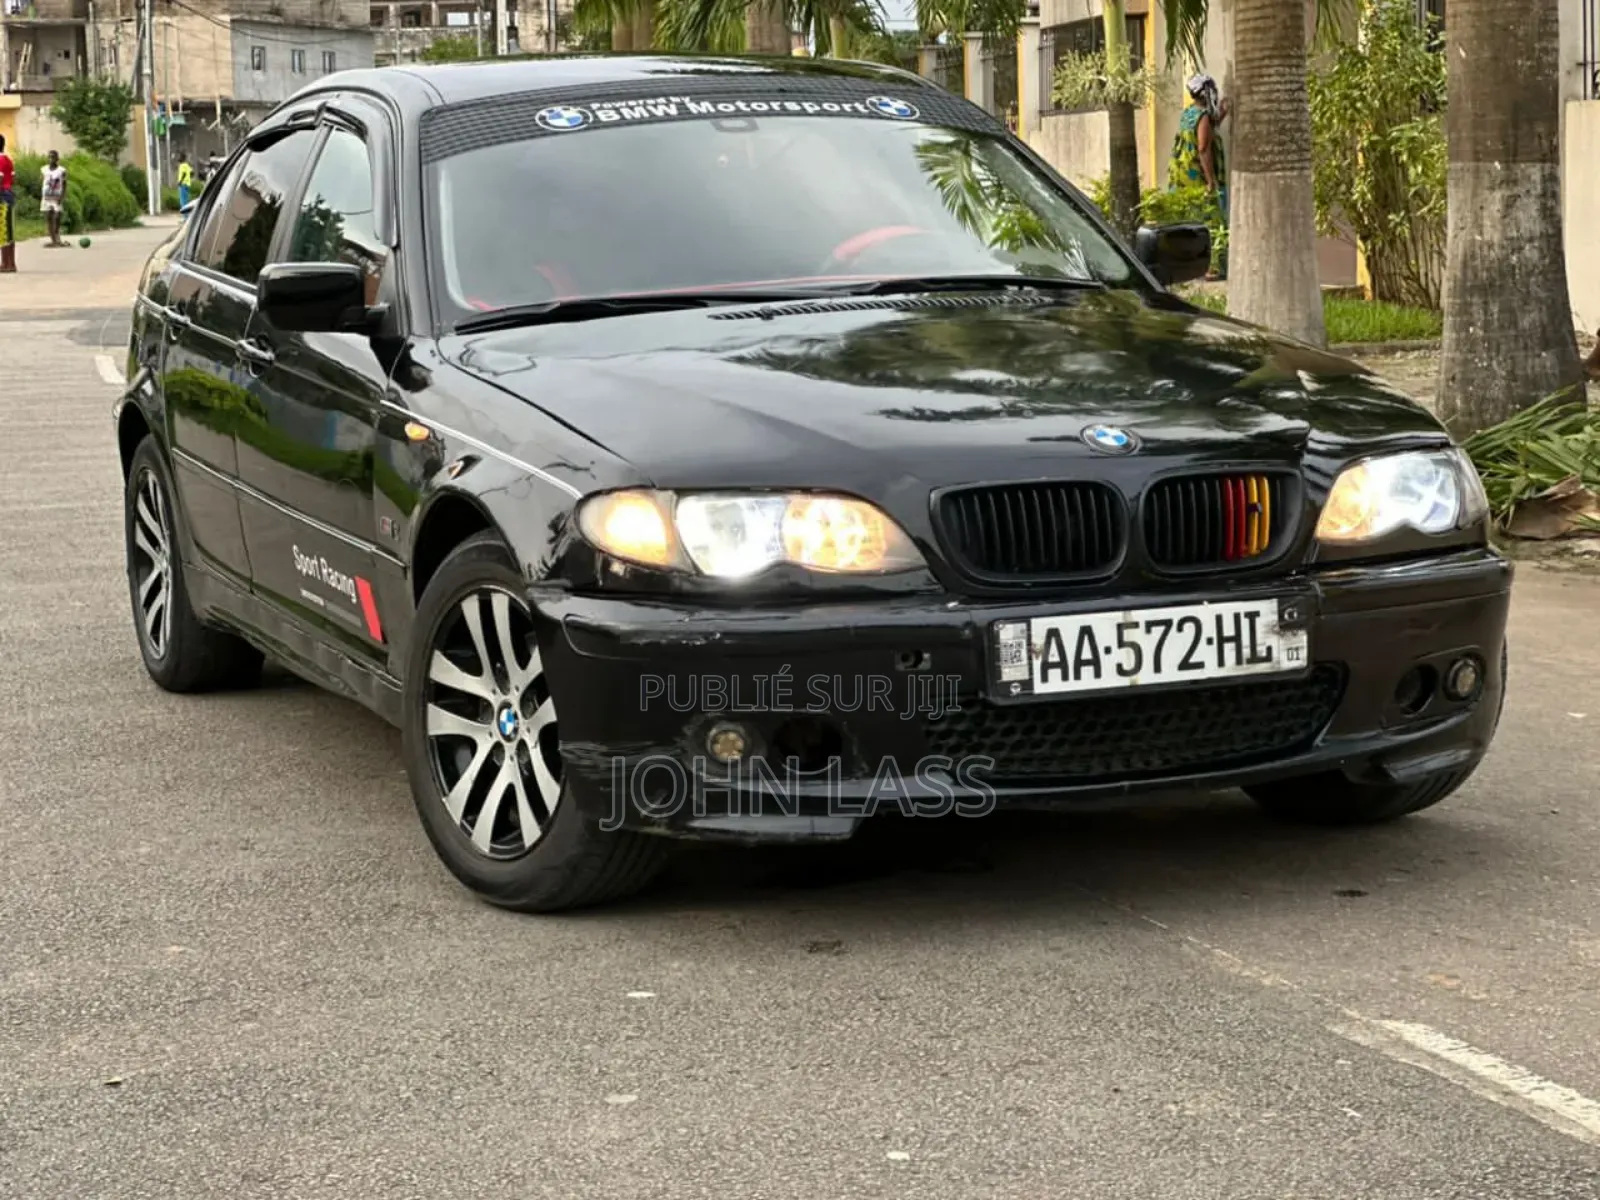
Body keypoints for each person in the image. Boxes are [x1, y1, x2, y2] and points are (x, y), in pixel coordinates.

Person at [1170, 72, 1230, 281]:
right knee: (1212, 220)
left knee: (1192, 221)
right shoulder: (1203, 116)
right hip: (1198, 178)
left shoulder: (1189, 113)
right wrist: (1211, 180)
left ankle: (1192, 265)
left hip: (1184, 177)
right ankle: (1212, 268)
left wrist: (1221, 115)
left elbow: (1206, 130)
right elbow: (1203, 147)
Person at [40, 149, 67, 248]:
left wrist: (62, 196)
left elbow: (64, 184)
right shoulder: (43, 169)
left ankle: (57, 236)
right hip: (46, 197)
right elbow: (43, 181)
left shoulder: (62, 170)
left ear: (57, 158)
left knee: (57, 216)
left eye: (53, 157)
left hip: (56, 197)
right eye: (49, 157)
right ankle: (53, 240)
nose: (51, 159)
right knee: (48, 218)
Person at [0, 133, 15, 273]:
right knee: (9, 230)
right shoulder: (8, 160)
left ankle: (5, 263)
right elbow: (13, 177)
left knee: (2, 231)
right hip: (9, 193)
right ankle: (11, 263)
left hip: (1, 196)